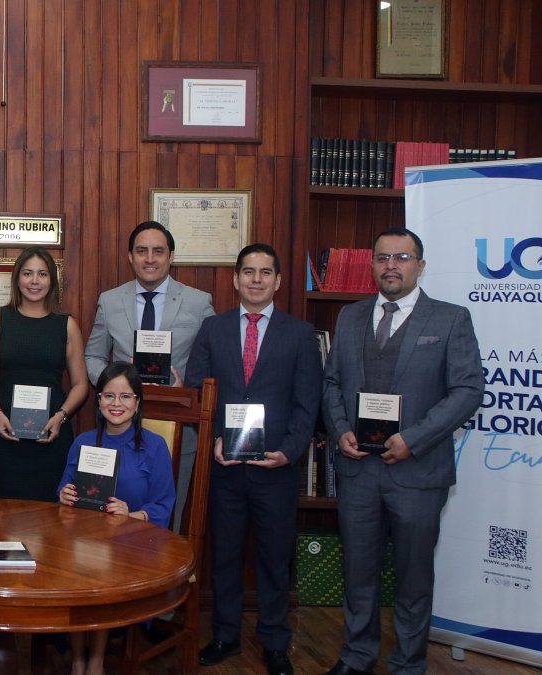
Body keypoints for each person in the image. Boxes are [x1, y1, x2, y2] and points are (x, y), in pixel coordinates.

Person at [321, 228, 482, 675]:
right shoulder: (350, 317)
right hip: (358, 470)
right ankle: (356, 657)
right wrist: (339, 431)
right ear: (372, 265)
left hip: (418, 472)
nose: (391, 265)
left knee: (413, 579)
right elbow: (331, 382)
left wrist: (414, 439)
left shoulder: (451, 319)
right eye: (382, 257)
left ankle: (408, 664)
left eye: (402, 258)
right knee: (358, 573)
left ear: (420, 265)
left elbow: (468, 391)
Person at [185, 243, 322, 675]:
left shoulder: (300, 334)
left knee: (273, 557)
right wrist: (213, 442)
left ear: (278, 281)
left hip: (275, 469)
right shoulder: (213, 329)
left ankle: (275, 641)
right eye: (248, 271)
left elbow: (308, 403)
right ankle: (224, 634)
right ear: (235, 279)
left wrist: (290, 451)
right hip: (224, 468)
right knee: (223, 555)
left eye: (265, 272)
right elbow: (196, 390)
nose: (256, 279)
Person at [84, 220, 214, 530]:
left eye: (158, 251)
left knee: (167, 516)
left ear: (171, 256)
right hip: (117, 428)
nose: (150, 258)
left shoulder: (198, 302)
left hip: (176, 426)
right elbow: (93, 355)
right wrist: (114, 384)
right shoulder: (110, 300)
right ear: (130, 256)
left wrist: (187, 389)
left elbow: (212, 364)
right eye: (142, 251)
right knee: (108, 518)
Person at [57, 362, 175, 675]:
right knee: (71, 568)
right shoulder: (83, 442)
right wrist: (65, 494)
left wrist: (131, 515)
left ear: (137, 403)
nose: (116, 404)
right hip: (84, 540)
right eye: (109, 396)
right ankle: (78, 659)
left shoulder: (154, 446)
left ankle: (93, 662)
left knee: (97, 573)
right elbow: (65, 485)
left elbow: (164, 504)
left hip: (133, 544)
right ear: (98, 402)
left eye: (125, 396)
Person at [0, 246, 89, 502]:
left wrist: (61, 417)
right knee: (2, 516)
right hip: (6, 433)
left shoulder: (67, 325)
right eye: (28, 274)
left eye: (42, 274)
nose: (35, 281)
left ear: (52, 280)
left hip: (51, 436)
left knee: (51, 519)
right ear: (17, 278)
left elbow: (81, 384)